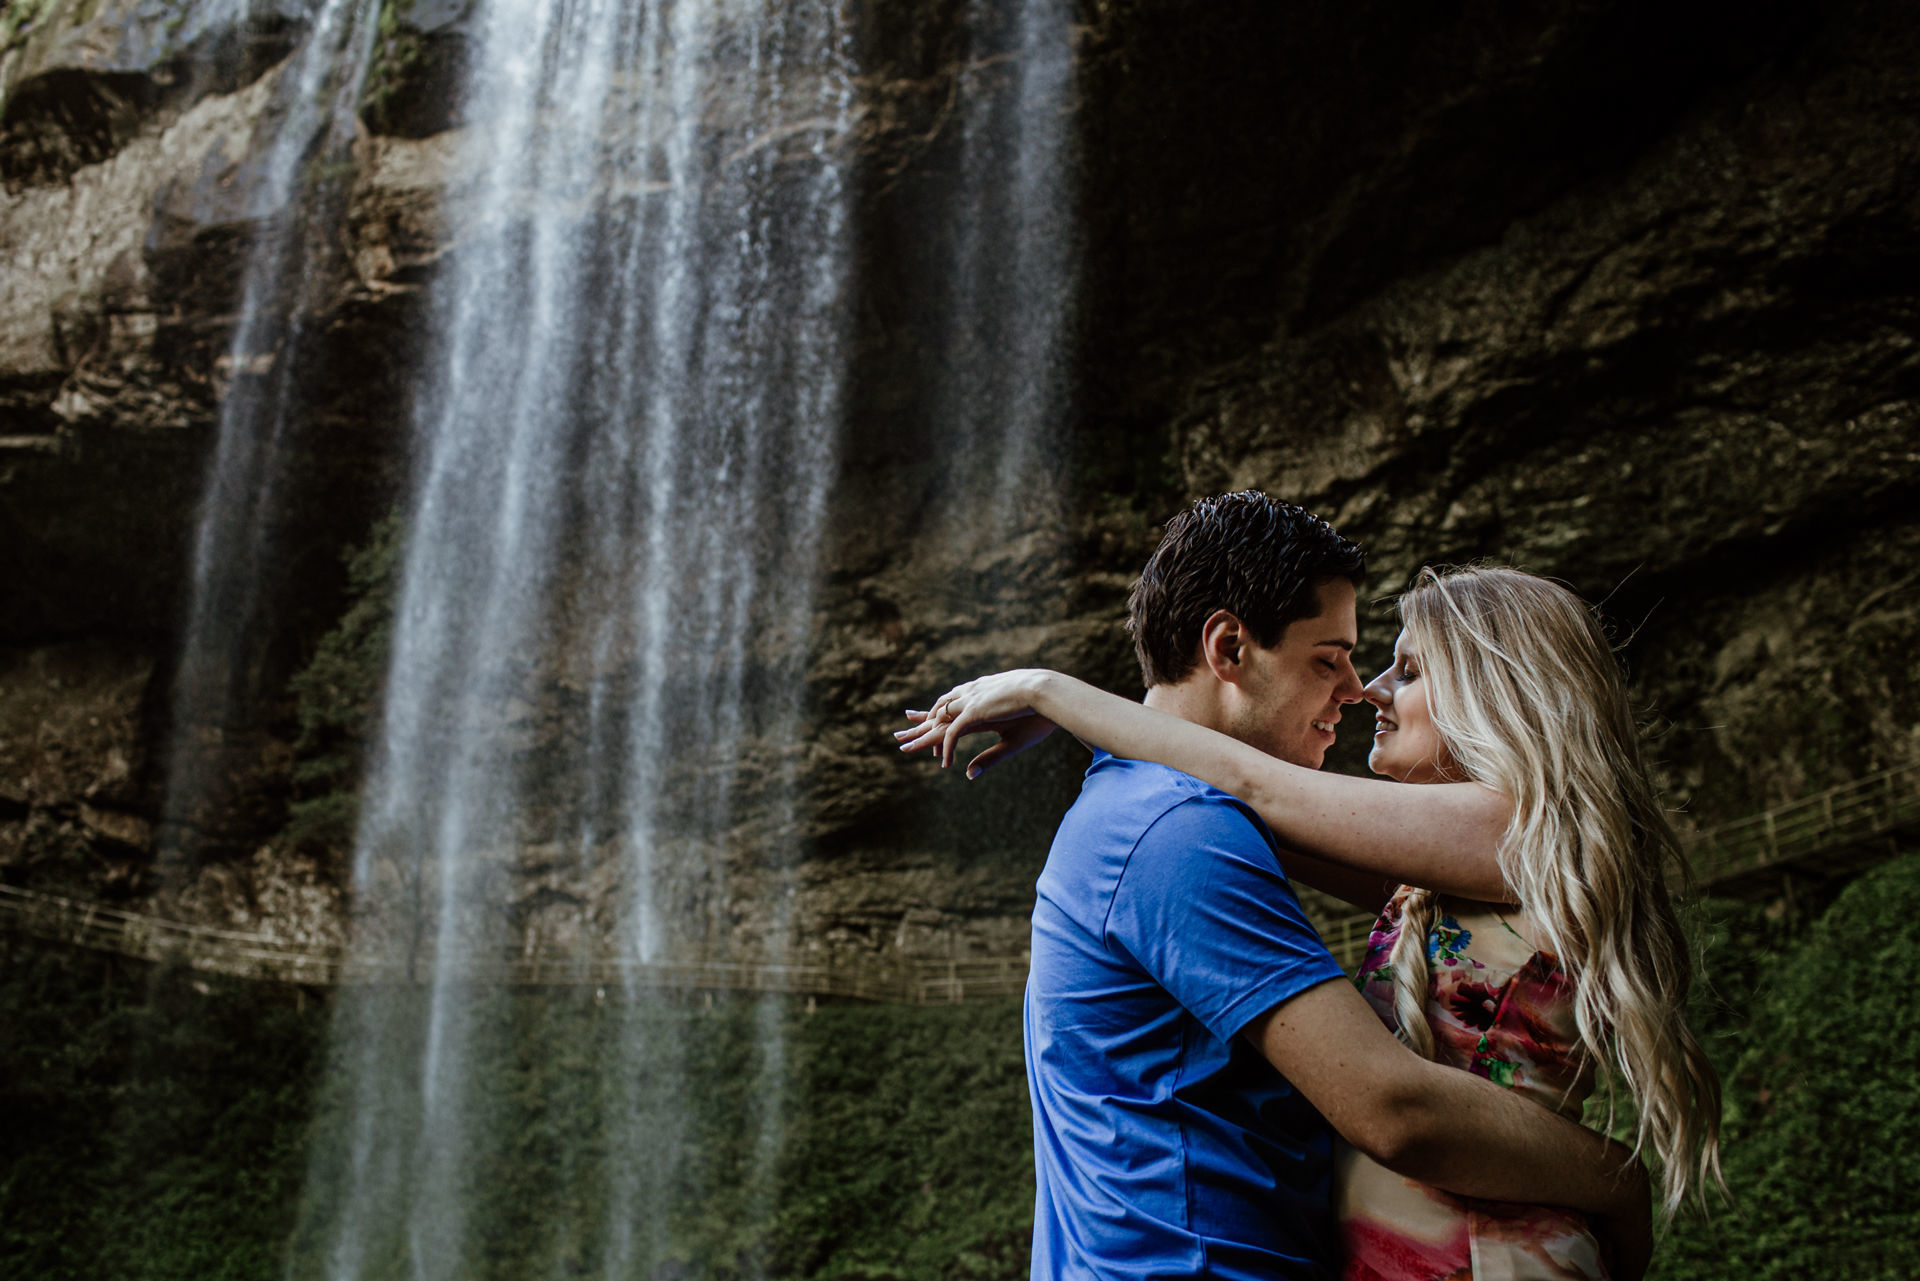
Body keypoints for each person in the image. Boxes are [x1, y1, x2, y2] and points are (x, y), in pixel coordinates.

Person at [901, 545, 1721, 1280]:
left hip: (1487, 1251)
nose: (1369, 687)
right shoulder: (1437, 877)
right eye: (1353, 661)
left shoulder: (1522, 829)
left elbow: (1256, 788)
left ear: (1492, 691)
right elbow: (1237, 809)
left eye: (1408, 668)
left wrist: (1053, 690)